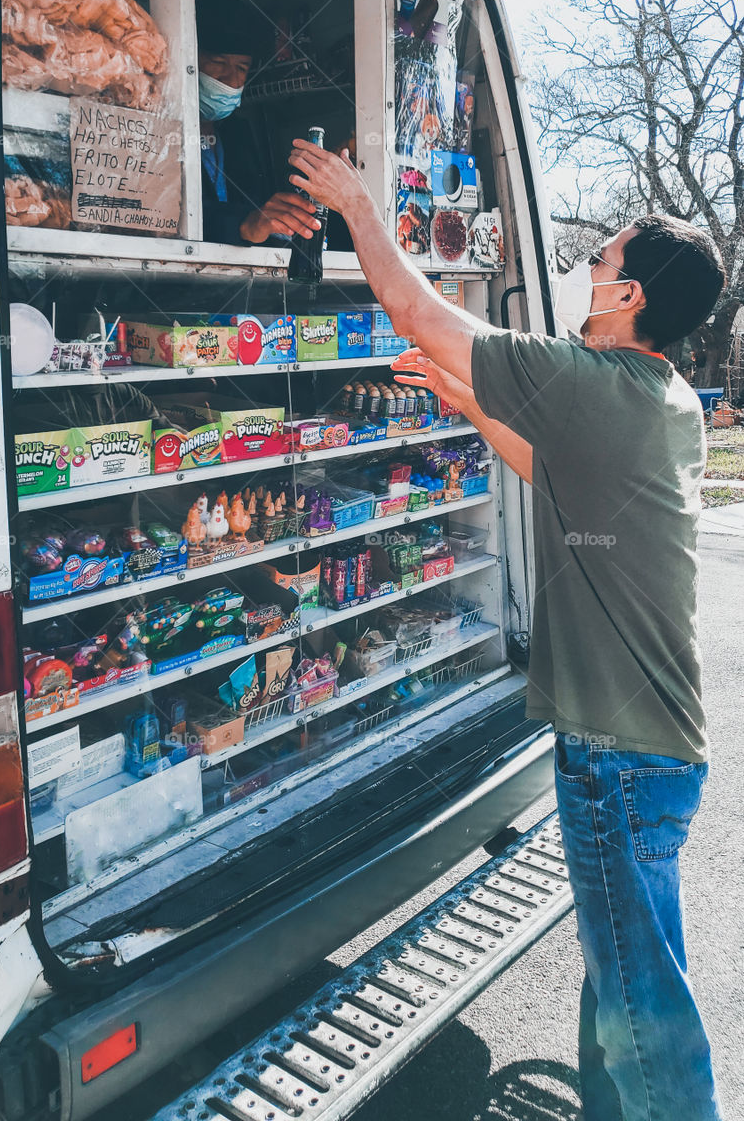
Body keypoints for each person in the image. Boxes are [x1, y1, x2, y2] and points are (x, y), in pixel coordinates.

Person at [287, 137, 726, 1121]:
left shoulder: (592, 379)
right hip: (649, 751)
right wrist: (462, 395)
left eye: (604, 260)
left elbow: (416, 309)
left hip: (619, 757)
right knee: (622, 974)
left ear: (631, 298)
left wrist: (360, 206)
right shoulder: (659, 399)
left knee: (642, 1012)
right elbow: (548, 463)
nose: (587, 269)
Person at [196, 0, 322, 246]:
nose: (232, 81)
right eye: (219, 63)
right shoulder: (160, 134)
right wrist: (243, 224)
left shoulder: (237, 134)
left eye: (241, 68)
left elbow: (263, 208)